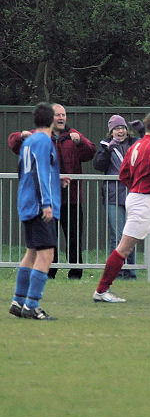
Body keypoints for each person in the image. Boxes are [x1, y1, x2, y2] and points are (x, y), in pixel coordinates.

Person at [92, 112, 150, 303]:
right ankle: (101, 291)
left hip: (144, 198)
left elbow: (123, 174)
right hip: (144, 200)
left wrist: (138, 187)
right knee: (124, 248)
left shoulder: (136, 145)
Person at [8, 103, 96, 279]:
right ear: (49, 118)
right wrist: (21, 136)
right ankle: (45, 276)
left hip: (70, 197)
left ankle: (75, 272)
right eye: (57, 115)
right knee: (44, 246)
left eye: (64, 115)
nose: (61, 118)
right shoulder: (37, 139)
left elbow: (90, 152)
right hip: (44, 201)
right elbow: (34, 166)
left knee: (71, 238)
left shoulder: (73, 136)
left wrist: (81, 142)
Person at [10, 103, 69, 320]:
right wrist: (46, 204)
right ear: (52, 119)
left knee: (32, 251)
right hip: (39, 205)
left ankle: (18, 300)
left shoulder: (30, 141)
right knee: (47, 253)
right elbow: (40, 173)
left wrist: (57, 179)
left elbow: (25, 171)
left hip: (27, 201)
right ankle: (32, 305)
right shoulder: (44, 141)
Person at [93, 115, 139, 279]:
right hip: (113, 196)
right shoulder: (105, 146)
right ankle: (116, 272)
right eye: (116, 128)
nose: (120, 131)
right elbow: (98, 165)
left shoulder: (135, 143)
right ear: (111, 131)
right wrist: (107, 151)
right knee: (117, 236)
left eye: (123, 128)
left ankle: (131, 272)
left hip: (134, 195)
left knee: (131, 235)